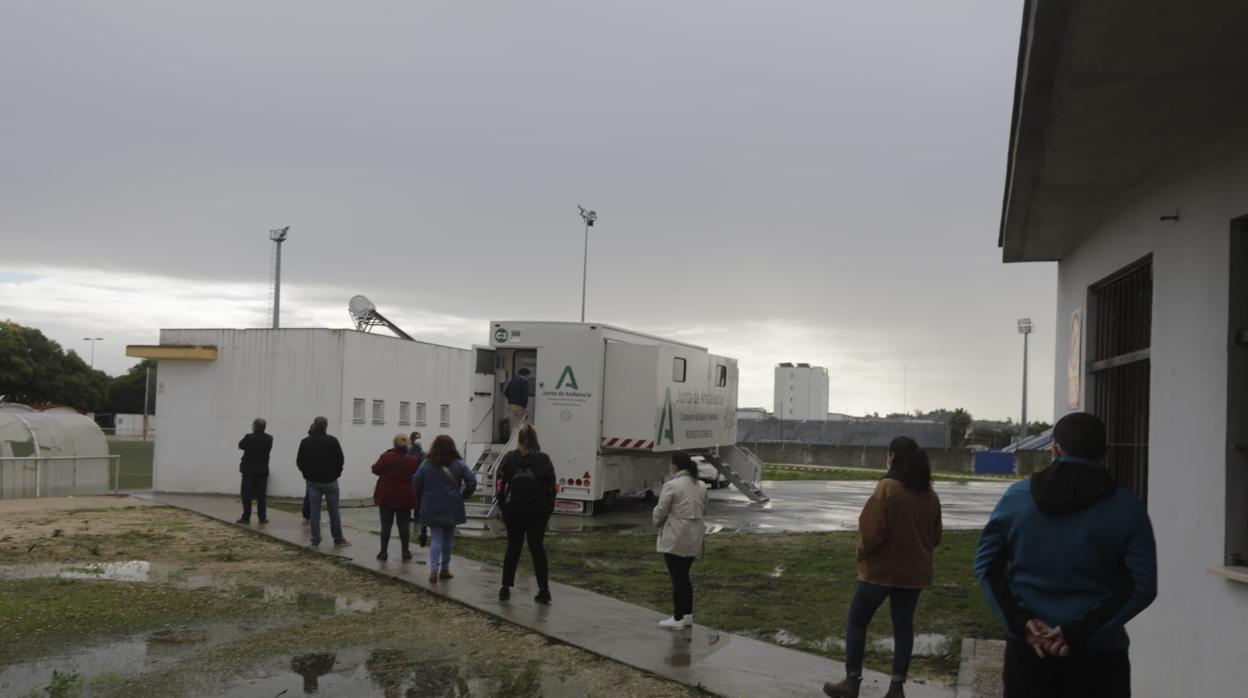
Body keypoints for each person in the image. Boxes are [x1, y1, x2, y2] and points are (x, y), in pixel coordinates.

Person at [973, 412, 1156, 698]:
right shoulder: (1128, 508)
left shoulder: (1016, 499)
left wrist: (1021, 622)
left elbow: (986, 567)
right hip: (1099, 658)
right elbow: (1142, 587)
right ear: (1104, 454)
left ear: (1054, 449)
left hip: (1030, 652)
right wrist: (1076, 632)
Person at [823, 437, 943, 698]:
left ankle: (852, 681)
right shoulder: (929, 494)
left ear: (892, 457)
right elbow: (936, 537)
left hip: (880, 572)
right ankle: (897, 688)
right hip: (914, 575)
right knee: (903, 627)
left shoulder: (887, 488)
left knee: (857, 620)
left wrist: (861, 553)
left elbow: (871, 532)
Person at [494, 424, 557, 603]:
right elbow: (552, 487)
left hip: (513, 510)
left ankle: (505, 588)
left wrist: (502, 505)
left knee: (513, 547)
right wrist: (548, 509)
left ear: (519, 440)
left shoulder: (509, 458)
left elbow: (500, 483)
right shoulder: (544, 459)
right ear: (535, 439)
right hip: (536, 511)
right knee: (537, 548)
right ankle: (543, 589)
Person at [653, 451, 708, 631]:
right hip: (695, 536)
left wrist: (656, 522)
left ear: (675, 466)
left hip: (675, 536)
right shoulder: (701, 485)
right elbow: (704, 509)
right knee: (685, 576)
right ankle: (687, 615)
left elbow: (661, 510)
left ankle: (677, 618)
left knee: (677, 578)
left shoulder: (672, 485)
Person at [411, 435, 476, 584]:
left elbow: (415, 481)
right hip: (452, 504)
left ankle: (434, 570)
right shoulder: (459, 464)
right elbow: (471, 481)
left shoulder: (426, 463)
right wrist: (464, 496)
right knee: (448, 537)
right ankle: (445, 569)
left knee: (436, 536)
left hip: (431, 504)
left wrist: (422, 496)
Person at [297, 416, 350, 548]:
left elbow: (300, 462)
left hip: (313, 481)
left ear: (314, 425)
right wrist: (336, 474)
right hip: (330, 481)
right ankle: (338, 539)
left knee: (315, 511)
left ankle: (315, 539)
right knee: (334, 511)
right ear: (326, 426)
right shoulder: (332, 441)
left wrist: (306, 475)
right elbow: (340, 460)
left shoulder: (305, 442)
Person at [372, 433, 420, 561]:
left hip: (387, 494)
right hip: (405, 495)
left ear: (394, 443)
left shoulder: (387, 457)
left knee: (386, 525)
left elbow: (375, 469)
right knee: (404, 524)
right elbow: (416, 471)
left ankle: (383, 552)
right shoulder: (412, 460)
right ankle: (405, 552)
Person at [236, 418, 273, 525]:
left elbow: (240, 445)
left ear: (255, 426)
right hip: (262, 470)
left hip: (248, 470)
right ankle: (262, 517)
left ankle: (246, 517)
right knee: (261, 496)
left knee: (246, 495)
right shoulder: (269, 438)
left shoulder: (249, 437)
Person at [408, 431, 428, 547]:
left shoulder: (421, 451)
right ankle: (411, 515)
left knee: (418, 497)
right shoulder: (411, 450)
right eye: (417, 437)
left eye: (420, 437)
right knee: (412, 496)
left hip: (419, 476)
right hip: (412, 475)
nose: (419, 439)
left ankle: (416, 515)